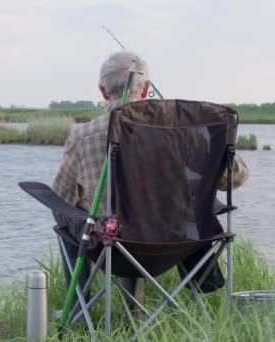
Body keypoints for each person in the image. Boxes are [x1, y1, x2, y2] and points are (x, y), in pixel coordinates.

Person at [52, 50, 249, 314]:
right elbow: (234, 179)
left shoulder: (82, 136)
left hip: (111, 248)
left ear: (102, 90)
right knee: (150, 214)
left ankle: (80, 308)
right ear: (145, 89)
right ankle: (140, 311)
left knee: (71, 215)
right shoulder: (186, 134)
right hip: (177, 245)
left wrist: (88, 202)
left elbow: (62, 198)